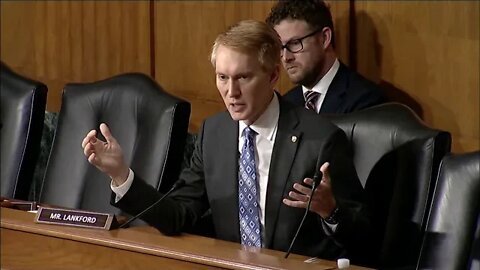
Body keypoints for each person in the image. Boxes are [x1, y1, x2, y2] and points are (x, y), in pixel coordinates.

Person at [82, 20, 373, 265]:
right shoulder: (215, 133)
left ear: (272, 75)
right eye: (222, 77)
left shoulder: (320, 139)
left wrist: (330, 211)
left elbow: (365, 238)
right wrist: (120, 175)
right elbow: (178, 215)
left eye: (243, 77)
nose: (231, 92)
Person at [266, 0, 385, 114]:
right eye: (280, 47)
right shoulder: (285, 105)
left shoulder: (365, 100)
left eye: (295, 43)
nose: (286, 57)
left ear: (324, 38)